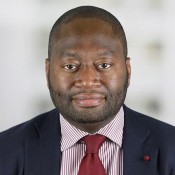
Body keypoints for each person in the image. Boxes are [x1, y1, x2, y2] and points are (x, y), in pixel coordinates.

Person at [0, 6, 175, 175]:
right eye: (70, 66)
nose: (87, 81)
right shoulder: (5, 151)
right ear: (47, 72)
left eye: (104, 65)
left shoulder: (171, 148)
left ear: (128, 70)